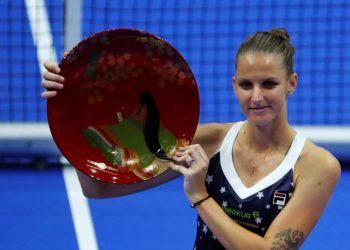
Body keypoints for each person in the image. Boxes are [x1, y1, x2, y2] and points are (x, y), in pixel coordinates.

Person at [41, 28, 341, 249]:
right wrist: (67, 112)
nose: (256, 96)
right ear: (234, 85)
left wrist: (200, 196)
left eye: (269, 84)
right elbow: (100, 187)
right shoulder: (210, 142)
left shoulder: (317, 167)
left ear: (292, 83)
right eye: (246, 84)